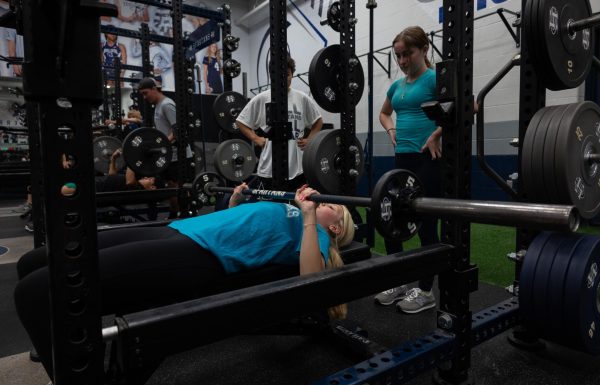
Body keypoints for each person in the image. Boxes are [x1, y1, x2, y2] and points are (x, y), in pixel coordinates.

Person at [14, 184, 355, 380]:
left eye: (332, 207)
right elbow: (240, 221)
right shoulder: (293, 209)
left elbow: (311, 281)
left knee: (34, 292)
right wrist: (234, 202)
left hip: (198, 252)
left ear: (336, 227)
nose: (324, 201)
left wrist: (311, 216)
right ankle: (63, 339)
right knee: (33, 261)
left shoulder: (317, 234)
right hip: (179, 230)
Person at [374, 26, 442, 314]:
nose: (402, 61)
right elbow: (384, 112)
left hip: (427, 159)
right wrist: (390, 130)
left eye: (407, 54)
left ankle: (426, 291)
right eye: (398, 55)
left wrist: (438, 133)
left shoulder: (435, 79)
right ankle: (399, 281)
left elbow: (468, 106)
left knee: (426, 224)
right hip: (402, 161)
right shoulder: (397, 86)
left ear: (424, 49)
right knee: (391, 220)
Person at [237, 56, 323, 191]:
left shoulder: (302, 98)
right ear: (272, 75)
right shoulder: (262, 98)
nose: (284, 78)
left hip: (298, 169)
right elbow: (241, 121)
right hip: (269, 168)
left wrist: (310, 140)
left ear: (292, 75)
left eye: (287, 74)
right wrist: (256, 138)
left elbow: (318, 122)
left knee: (296, 209)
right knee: (269, 208)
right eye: (279, 74)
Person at [137, 77, 189, 217]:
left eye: (145, 93)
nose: (144, 97)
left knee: (175, 187)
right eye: (142, 94)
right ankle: (174, 213)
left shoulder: (167, 104)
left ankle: (180, 215)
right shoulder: (158, 105)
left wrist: (162, 144)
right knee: (170, 187)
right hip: (167, 153)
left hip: (178, 154)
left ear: (154, 89)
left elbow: (178, 130)